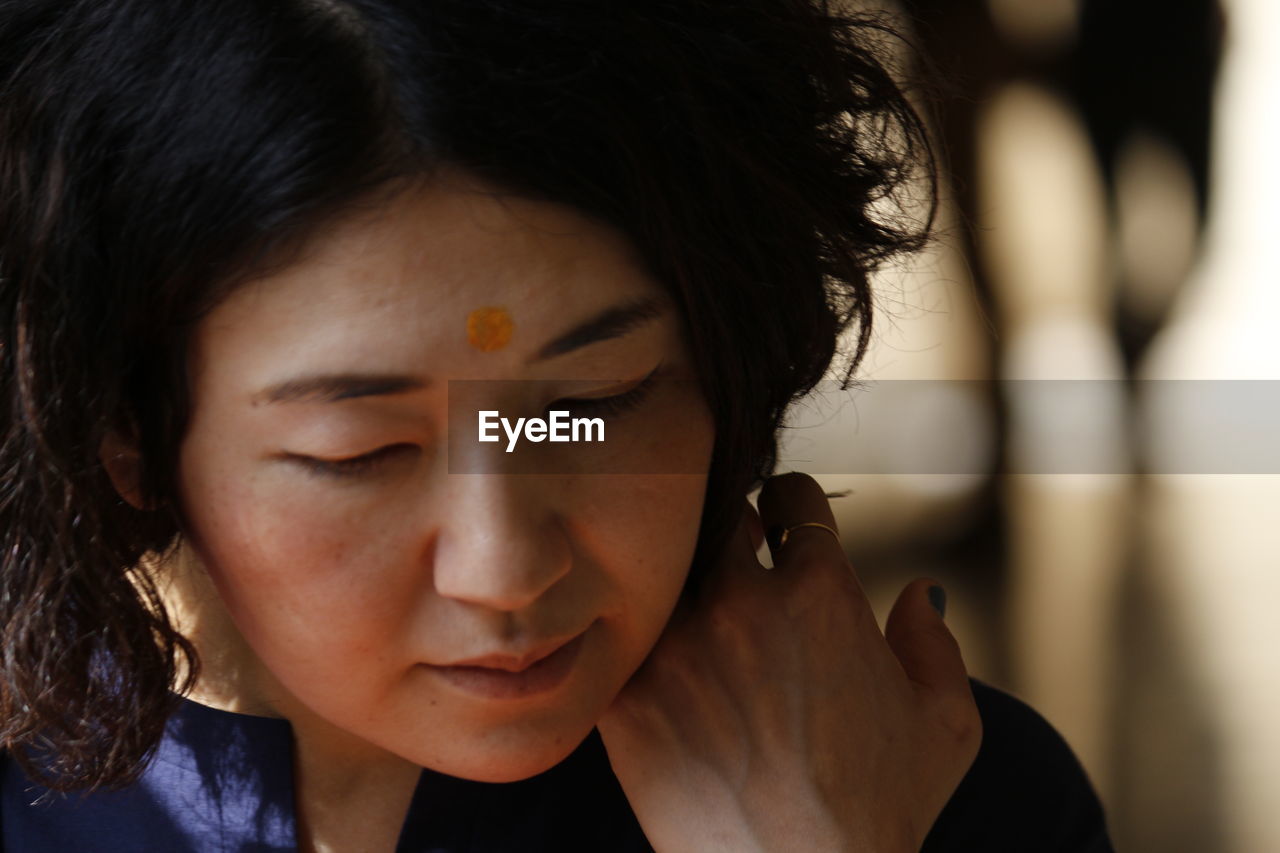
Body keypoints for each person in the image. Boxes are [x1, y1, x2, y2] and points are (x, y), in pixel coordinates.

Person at [0, 1, 1114, 850]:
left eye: (590, 405)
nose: (507, 568)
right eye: (364, 451)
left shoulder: (939, 795)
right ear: (124, 434)